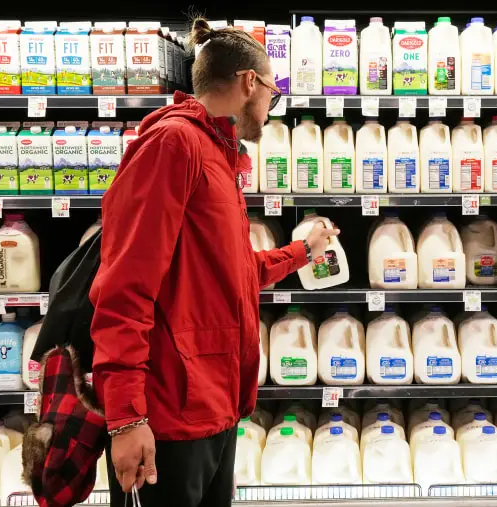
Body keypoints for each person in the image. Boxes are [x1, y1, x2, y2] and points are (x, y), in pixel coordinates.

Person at [89, 19, 338, 507]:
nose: (271, 108)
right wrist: (127, 418)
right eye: (273, 93)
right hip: (169, 419)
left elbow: (229, 274)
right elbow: (124, 288)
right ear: (249, 83)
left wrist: (302, 252)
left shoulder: (217, 155)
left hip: (214, 406)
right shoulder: (174, 145)